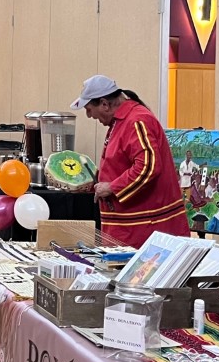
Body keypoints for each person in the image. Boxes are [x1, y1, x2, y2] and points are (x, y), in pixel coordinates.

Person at [71, 75, 187, 248]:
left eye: (89, 109)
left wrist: (112, 187)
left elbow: (148, 167)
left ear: (104, 103)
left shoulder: (136, 120)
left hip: (143, 229)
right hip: (129, 227)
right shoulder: (122, 120)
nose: (89, 115)